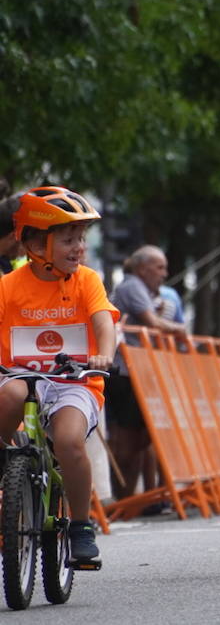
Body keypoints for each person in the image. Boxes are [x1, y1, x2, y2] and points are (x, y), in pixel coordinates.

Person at [0, 186, 117, 565]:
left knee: (68, 441)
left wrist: (105, 354)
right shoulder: (8, 286)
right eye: (68, 239)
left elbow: (103, 323)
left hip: (74, 381)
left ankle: (81, 525)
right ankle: (7, 464)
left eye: (81, 239)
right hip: (17, 376)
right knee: (10, 397)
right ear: (34, 241)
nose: (79, 247)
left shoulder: (87, 281)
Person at [107, 245, 188, 503]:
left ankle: (132, 499)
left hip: (136, 371)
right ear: (143, 268)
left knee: (140, 439)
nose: (164, 274)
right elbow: (153, 323)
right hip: (125, 371)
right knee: (129, 439)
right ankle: (124, 499)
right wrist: (178, 329)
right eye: (159, 267)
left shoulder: (142, 289)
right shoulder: (132, 287)